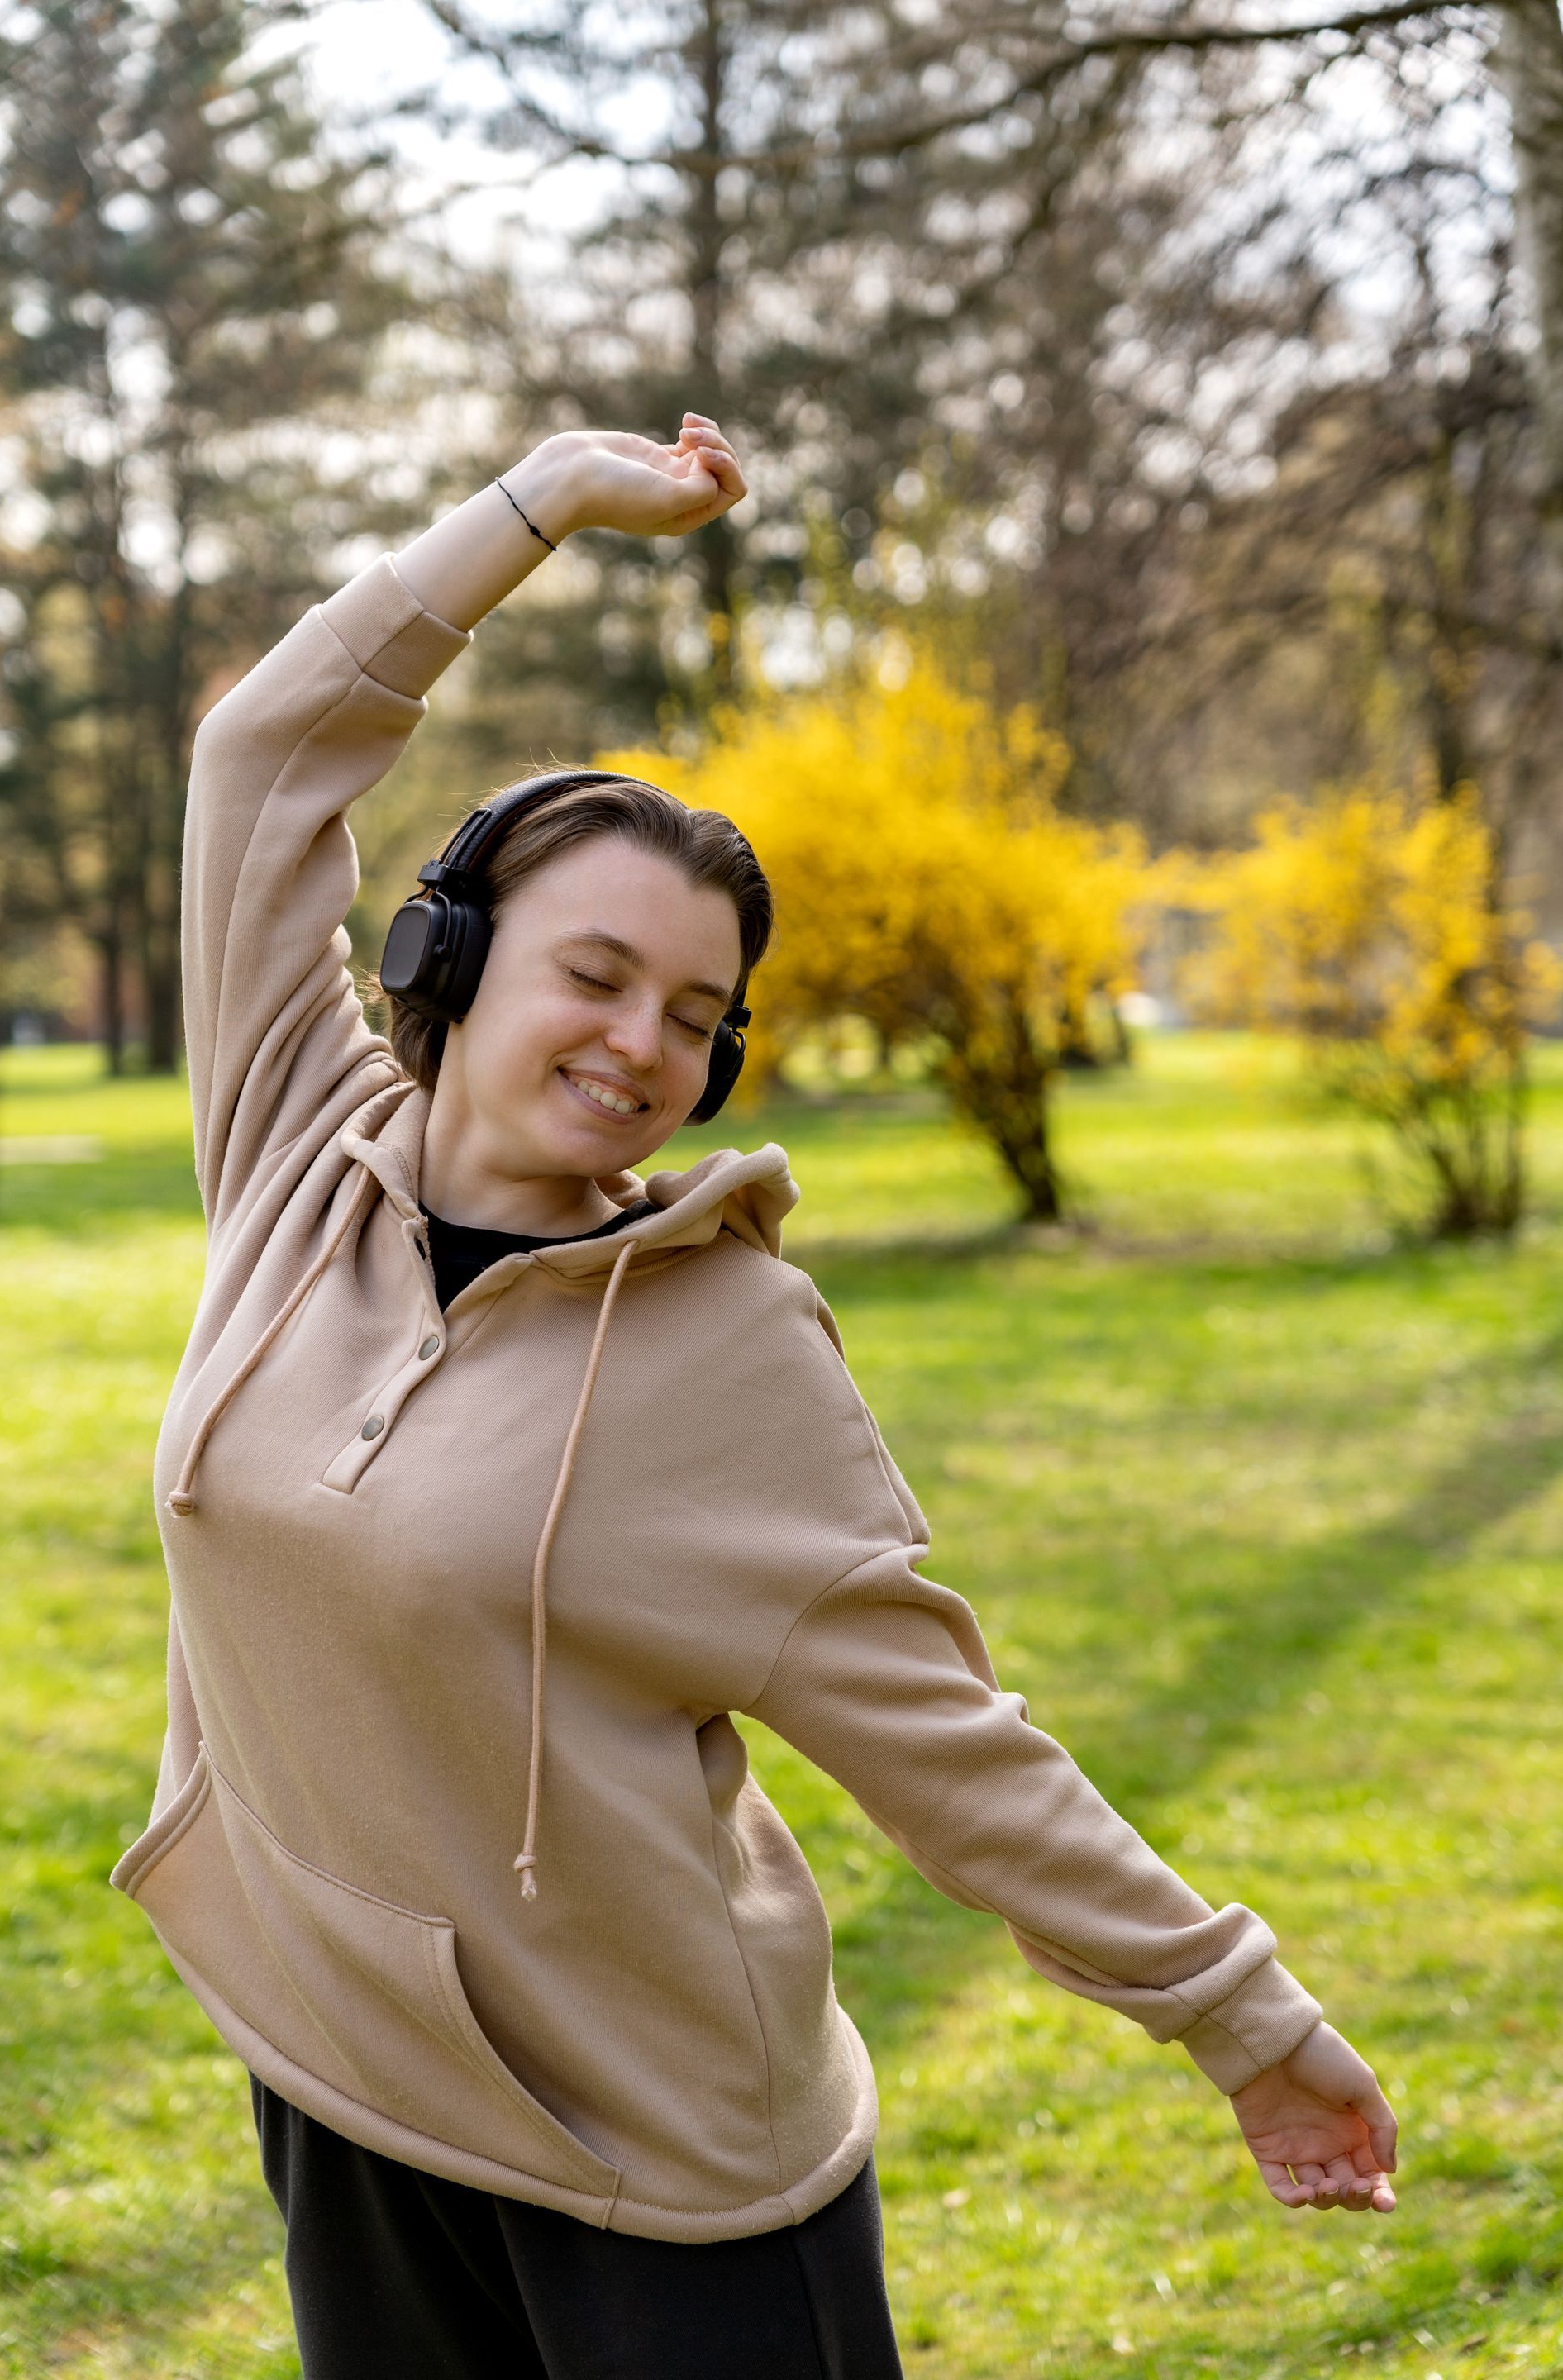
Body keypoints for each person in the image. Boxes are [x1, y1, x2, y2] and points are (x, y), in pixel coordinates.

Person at [112, 416, 1399, 2380]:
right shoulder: (296, 1149)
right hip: (347, 2084)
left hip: (672, 2163)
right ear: (448, 958)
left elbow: (946, 1744)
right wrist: (542, 500)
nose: (642, 1044)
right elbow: (260, 757)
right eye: (598, 974)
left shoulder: (731, 1356)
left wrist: (1243, 2015)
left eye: (695, 1017)